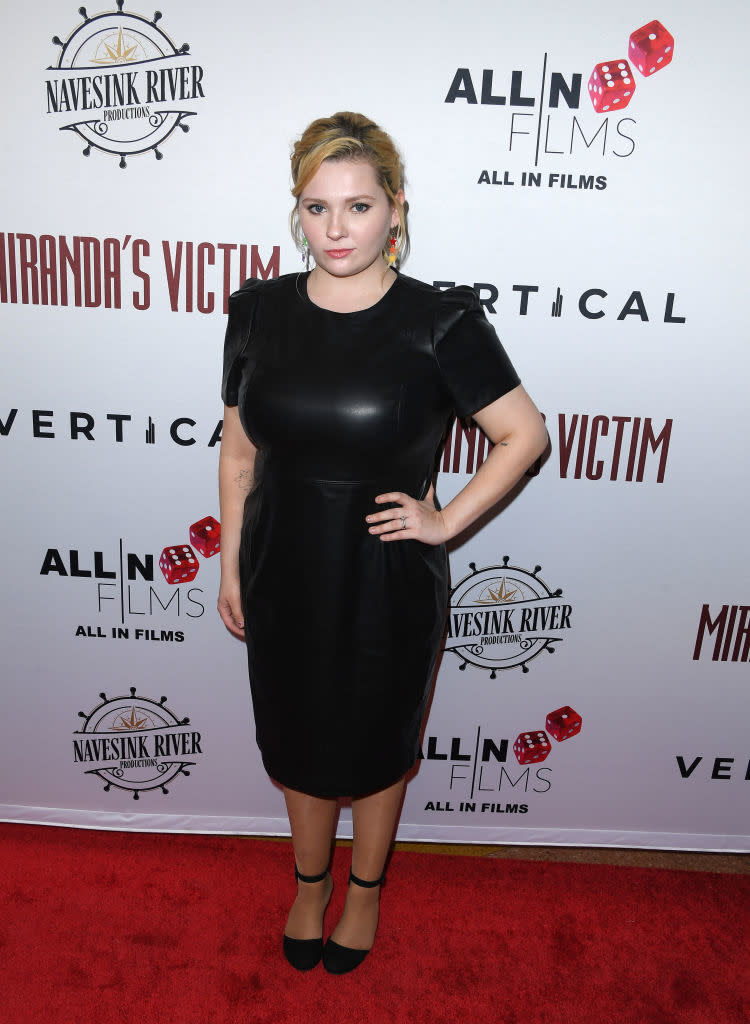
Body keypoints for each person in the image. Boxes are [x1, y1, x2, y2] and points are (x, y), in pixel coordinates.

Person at [217, 111, 548, 974]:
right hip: (281, 567)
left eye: (358, 207)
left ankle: (363, 893)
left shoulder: (439, 322)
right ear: (297, 211)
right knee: (295, 739)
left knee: (374, 744)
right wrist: (230, 564)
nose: (336, 229)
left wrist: (444, 520)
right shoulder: (255, 313)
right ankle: (309, 883)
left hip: (386, 576)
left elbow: (525, 435)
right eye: (317, 207)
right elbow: (240, 450)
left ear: (395, 211)